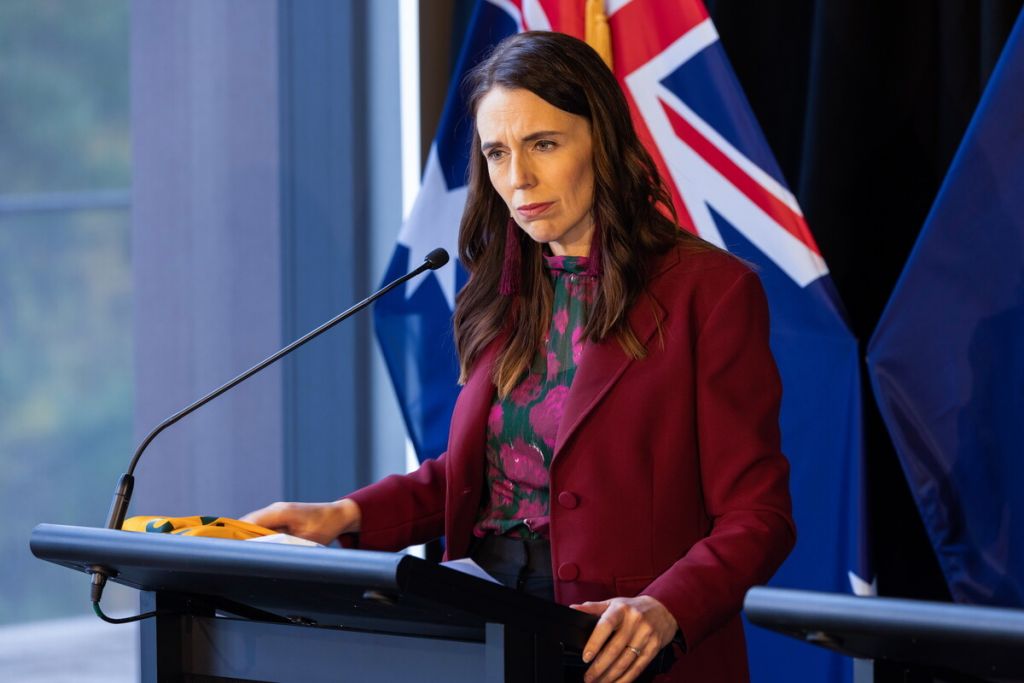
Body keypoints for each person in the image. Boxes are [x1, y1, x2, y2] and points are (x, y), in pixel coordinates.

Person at [244, 31, 794, 683]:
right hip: (482, 622)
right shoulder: (500, 290)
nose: (517, 178)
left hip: (621, 647)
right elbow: (486, 474)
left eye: (544, 144)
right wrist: (343, 516)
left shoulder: (710, 291)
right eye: (497, 153)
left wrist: (667, 607)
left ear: (603, 141)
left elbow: (758, 515)